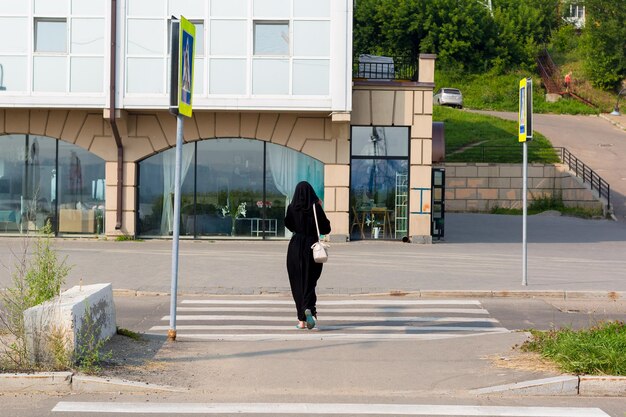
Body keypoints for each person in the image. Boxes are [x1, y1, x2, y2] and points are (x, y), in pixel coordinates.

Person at [285, 181, 331, 330]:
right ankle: (309, 308)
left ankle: (301, 321)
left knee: (297, 282)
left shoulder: (292, 208)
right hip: (312, 247)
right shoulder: (315, 207)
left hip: (295, 247)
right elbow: (326, 228)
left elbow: (289, 225)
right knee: (310, 281)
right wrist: (319, 206)